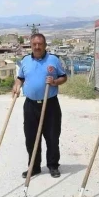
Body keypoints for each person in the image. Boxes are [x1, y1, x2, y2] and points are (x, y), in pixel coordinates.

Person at [12, 33, 67, 178]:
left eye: (40, 44)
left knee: (52, 137)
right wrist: (17, 86)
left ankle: (53, 166)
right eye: (34, 44)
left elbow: (64, 77)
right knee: (31, 138)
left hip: (50, 105)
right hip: (30, 105)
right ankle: (34, 167)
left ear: (45, 45)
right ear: (31, 45)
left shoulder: (53, 60)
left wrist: (55, 82)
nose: (37, 47)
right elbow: (20, 78)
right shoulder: (25, 61)